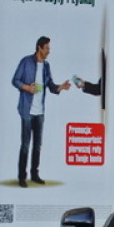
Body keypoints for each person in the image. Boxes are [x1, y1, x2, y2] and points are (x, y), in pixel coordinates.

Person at [11, 36, 70, 187]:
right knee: (25, 145)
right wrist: (27, 88)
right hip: (26, 110)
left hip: (40, 111)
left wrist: (61, 87)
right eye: (47, 48)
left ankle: (34, 174)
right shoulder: (26, 61)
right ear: (39, 48)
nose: (49, 51)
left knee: (38, 145)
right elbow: (15, 80)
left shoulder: (46, 66)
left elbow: (50, 86)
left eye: (49, 48)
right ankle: (22, 177)